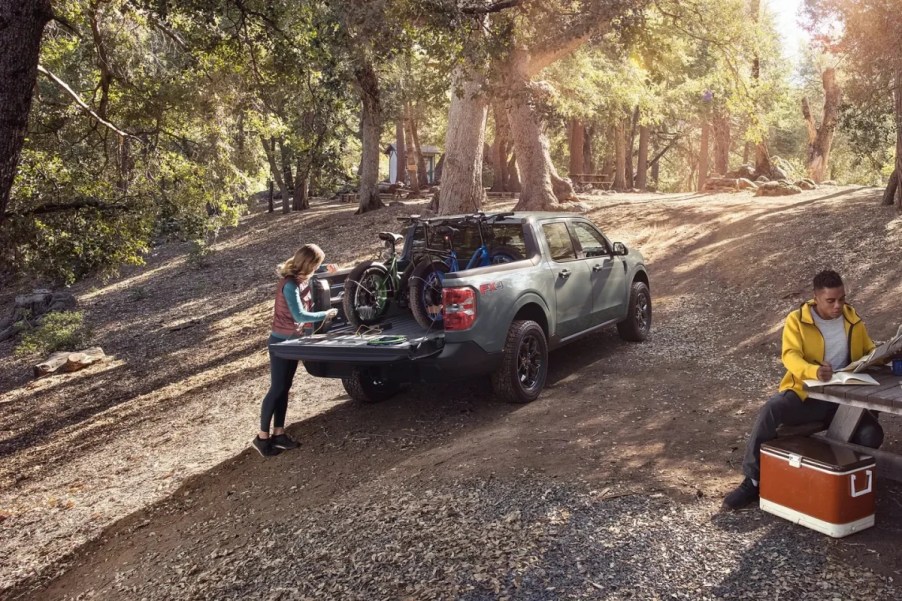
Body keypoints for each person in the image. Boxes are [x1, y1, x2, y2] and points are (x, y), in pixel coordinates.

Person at [723, 269, 884, 510]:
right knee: (772, 408)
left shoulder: (853, 319)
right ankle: (752, 481)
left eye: (842, 298)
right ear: (816, 297)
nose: (838, 305)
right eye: (831, 300)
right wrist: (813, 371)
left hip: (845, 400)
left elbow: (867, 351)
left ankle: (836, 482)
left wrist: (884, 354)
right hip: (808, 396)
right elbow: (790, 356)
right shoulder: (797, 320)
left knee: (872, 436)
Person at [253, 244, 338, 457]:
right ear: (309, 263)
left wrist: (328, 269)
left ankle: (279, 434)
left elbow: (315, 273)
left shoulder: (301, 276)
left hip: (293, 341)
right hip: (280, 342)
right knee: (277, 388)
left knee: (285, 387)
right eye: (316, 264)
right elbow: (299, 316)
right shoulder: (289, 285)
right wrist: (325, 314)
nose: (316, 268)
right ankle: (262, 437)